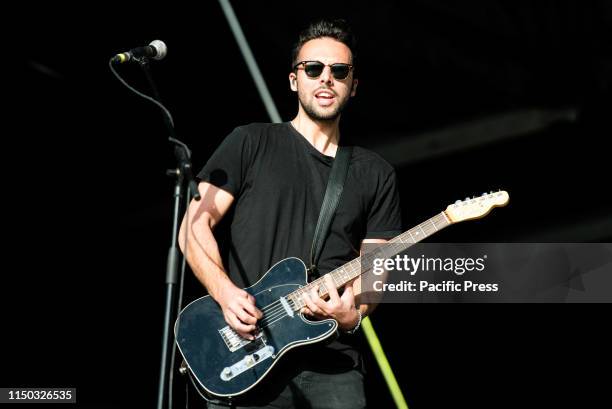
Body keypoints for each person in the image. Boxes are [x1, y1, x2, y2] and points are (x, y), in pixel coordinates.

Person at [179, 18, 402, 409]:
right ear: (294, 80)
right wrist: (225, 293)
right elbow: (192, 229)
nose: (326, 79)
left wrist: (355, 313)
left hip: (332, 360)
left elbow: (375, 267)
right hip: (247, 350)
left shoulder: (375, 171)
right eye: (313, 69)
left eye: (339, 71)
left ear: (353, 86)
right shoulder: (250, 141)